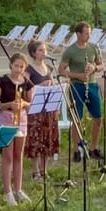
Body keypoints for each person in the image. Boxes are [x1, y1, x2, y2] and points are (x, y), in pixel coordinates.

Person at [58, 21, 105, 161]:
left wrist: (94, 69)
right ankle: (77, 149)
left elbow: (101, 65)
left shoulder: (93, 48)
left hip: (92, 85)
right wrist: (78, 76)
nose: (88, 36)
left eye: (90, 33)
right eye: (86, 33)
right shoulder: (70, 51)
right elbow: (61, 70)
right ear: (78, 34)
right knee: (76, 118)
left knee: (98, 117)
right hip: (77, 86)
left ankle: (93, 148)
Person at [0, 52, 34, 205]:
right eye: (16, 66)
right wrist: (9, 105)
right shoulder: (2, 82)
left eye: (21, 67)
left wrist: (23, 104)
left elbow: (31, 103)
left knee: (19, 155)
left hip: (21, 119)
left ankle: (18, 189)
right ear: (11, 65)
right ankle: (7, 192)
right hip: (6, 118)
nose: (18, 69)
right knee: (8, 156)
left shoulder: (26, 82)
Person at [24, 40, 60, 180]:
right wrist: (40, 85)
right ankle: (35, 171)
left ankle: (44, 170)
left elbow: (53, 85)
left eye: (44, 50)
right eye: (40, 50)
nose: (44, 53)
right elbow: (26, 87)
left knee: (48, 138)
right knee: (36, 139)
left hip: (49, 108)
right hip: (36, 109)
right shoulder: (29, 69)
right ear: (33, 53)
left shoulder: (49, 68)